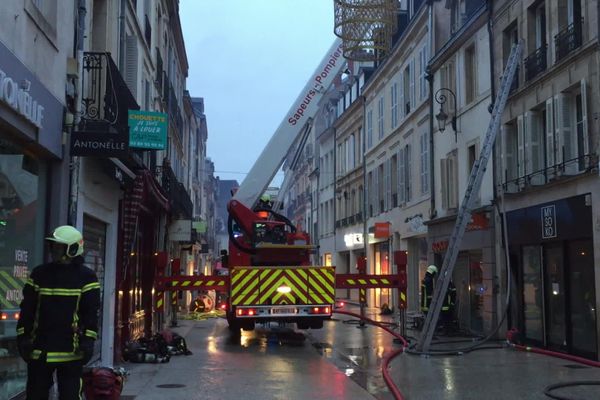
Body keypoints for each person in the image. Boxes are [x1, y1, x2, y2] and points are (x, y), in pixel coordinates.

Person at [17, 225, 101, 399]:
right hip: (40, 351)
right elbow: (27, 309)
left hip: (71, 350)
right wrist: (23, 337)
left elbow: (90, 313)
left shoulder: (86, 277)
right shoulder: (40, 274)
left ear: (73, 249)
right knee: (35, 395)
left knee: (70, 395)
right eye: (53, 246)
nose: (54, 250)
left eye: (59, 246)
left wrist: (88, 340)